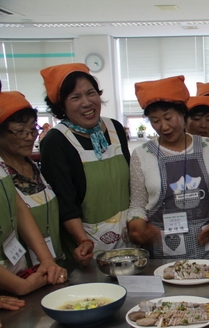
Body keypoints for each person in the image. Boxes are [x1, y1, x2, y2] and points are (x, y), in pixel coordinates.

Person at [127, 75, 209, 259]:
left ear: (183, 113)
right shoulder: (142, 155)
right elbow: (137, 206)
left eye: (169, 117)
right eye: (155, 120)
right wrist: (137, 228)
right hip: (166, 251)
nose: (164, 126)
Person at [40, 63, 131, 266]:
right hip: (87, 245)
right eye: (75, 97)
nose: (87, 102)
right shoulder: (56, 141)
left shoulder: (114, 127)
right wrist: (83, 240)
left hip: (128, 238)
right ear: (61, 106)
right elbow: (65, 202)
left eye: (91, 93)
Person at [0, 87, 67, 295]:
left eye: (33, 129)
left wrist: (47, 259)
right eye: (20, 131)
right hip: (15, 281)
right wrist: (20, 286)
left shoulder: (33, 166)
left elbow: (20, 210)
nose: (29, 137)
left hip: (38, 273)